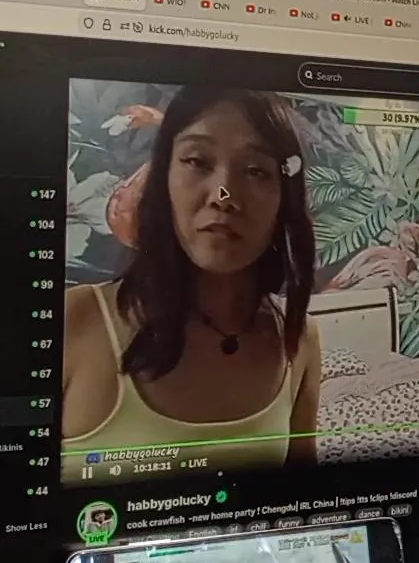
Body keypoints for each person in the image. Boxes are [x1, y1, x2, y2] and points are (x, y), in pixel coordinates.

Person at [62, 87, 321, 480]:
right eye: (197, 161)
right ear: (163, 179)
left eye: (256, 171)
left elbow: (304, 500)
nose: (224, 196)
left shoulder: (297, 339)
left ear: (284, 199)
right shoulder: (75, 321)